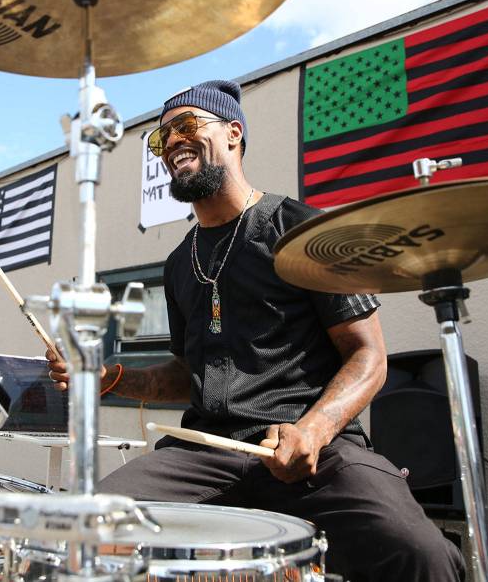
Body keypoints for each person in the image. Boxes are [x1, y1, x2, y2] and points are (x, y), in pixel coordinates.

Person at [46, 80, 464, 582]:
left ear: (233, 133)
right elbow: (187, 374)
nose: (171, 142)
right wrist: (106, 376)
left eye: (185, 126)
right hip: (204, 451)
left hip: (315, 448)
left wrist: (315, 428)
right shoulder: (181, 263)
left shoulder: (299, 229)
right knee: (79, 530)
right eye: (161, 139)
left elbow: (368, 355)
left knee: (419, 552)